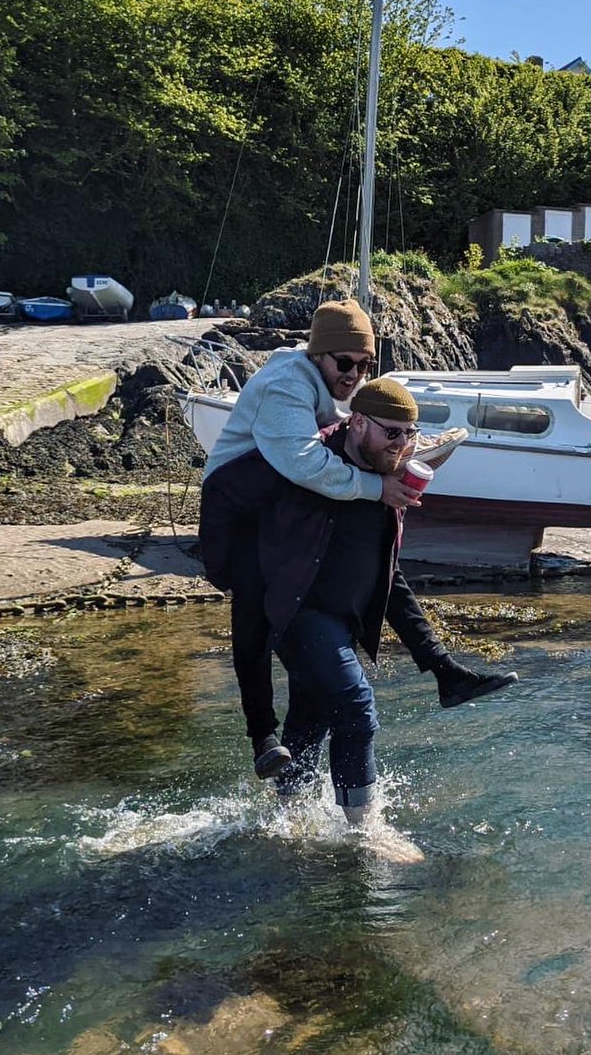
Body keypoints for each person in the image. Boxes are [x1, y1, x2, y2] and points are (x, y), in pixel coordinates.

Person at [199, 300, 514, 780]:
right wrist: (375, 487)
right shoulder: (286, 387)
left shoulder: (327, 397)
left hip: (280, 497)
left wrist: (396, 455)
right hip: (238, 506)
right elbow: (304, 463)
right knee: (255, 618)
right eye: (344, 362)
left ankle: (288, 817)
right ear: (319, 355)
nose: (355, 374)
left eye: (365, 364)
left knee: (315, 713)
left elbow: (388, 574)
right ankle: (264, 737)